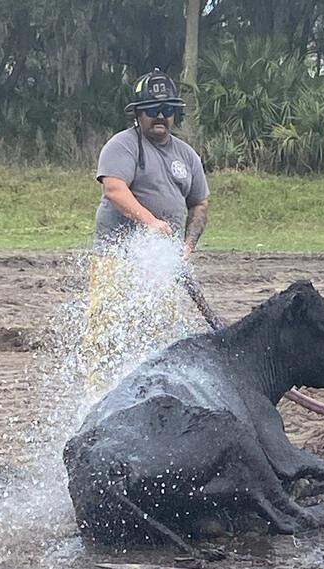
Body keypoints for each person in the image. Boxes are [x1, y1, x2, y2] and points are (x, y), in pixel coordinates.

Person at [80, 68, 211, 396]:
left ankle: (152, 397)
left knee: (159, 335)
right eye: (152, 109)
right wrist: (151, 223)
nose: (160, 116)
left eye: (167, 109)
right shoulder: (122, 146)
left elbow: (199, 203)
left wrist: (187, 245)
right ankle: (101, 397)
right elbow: (114, 189)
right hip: (118, 263)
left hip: (162, 269)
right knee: (108, 337)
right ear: (138, 114)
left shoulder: (187, 155)